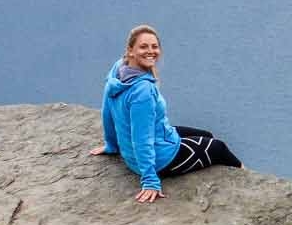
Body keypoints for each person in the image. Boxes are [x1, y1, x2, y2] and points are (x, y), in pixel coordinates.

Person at [90, 24, 242, 202]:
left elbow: (107, 111)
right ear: (130, 50)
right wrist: (150, 180)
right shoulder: (143, 91)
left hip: (138, 149)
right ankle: (247, 182)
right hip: (161, 160)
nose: (151, 51)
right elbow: (142, 138)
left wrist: (112, 144)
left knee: (206, 135)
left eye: (154, 46)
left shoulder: (117, 70)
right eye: (143, 46)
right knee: (219, 148)